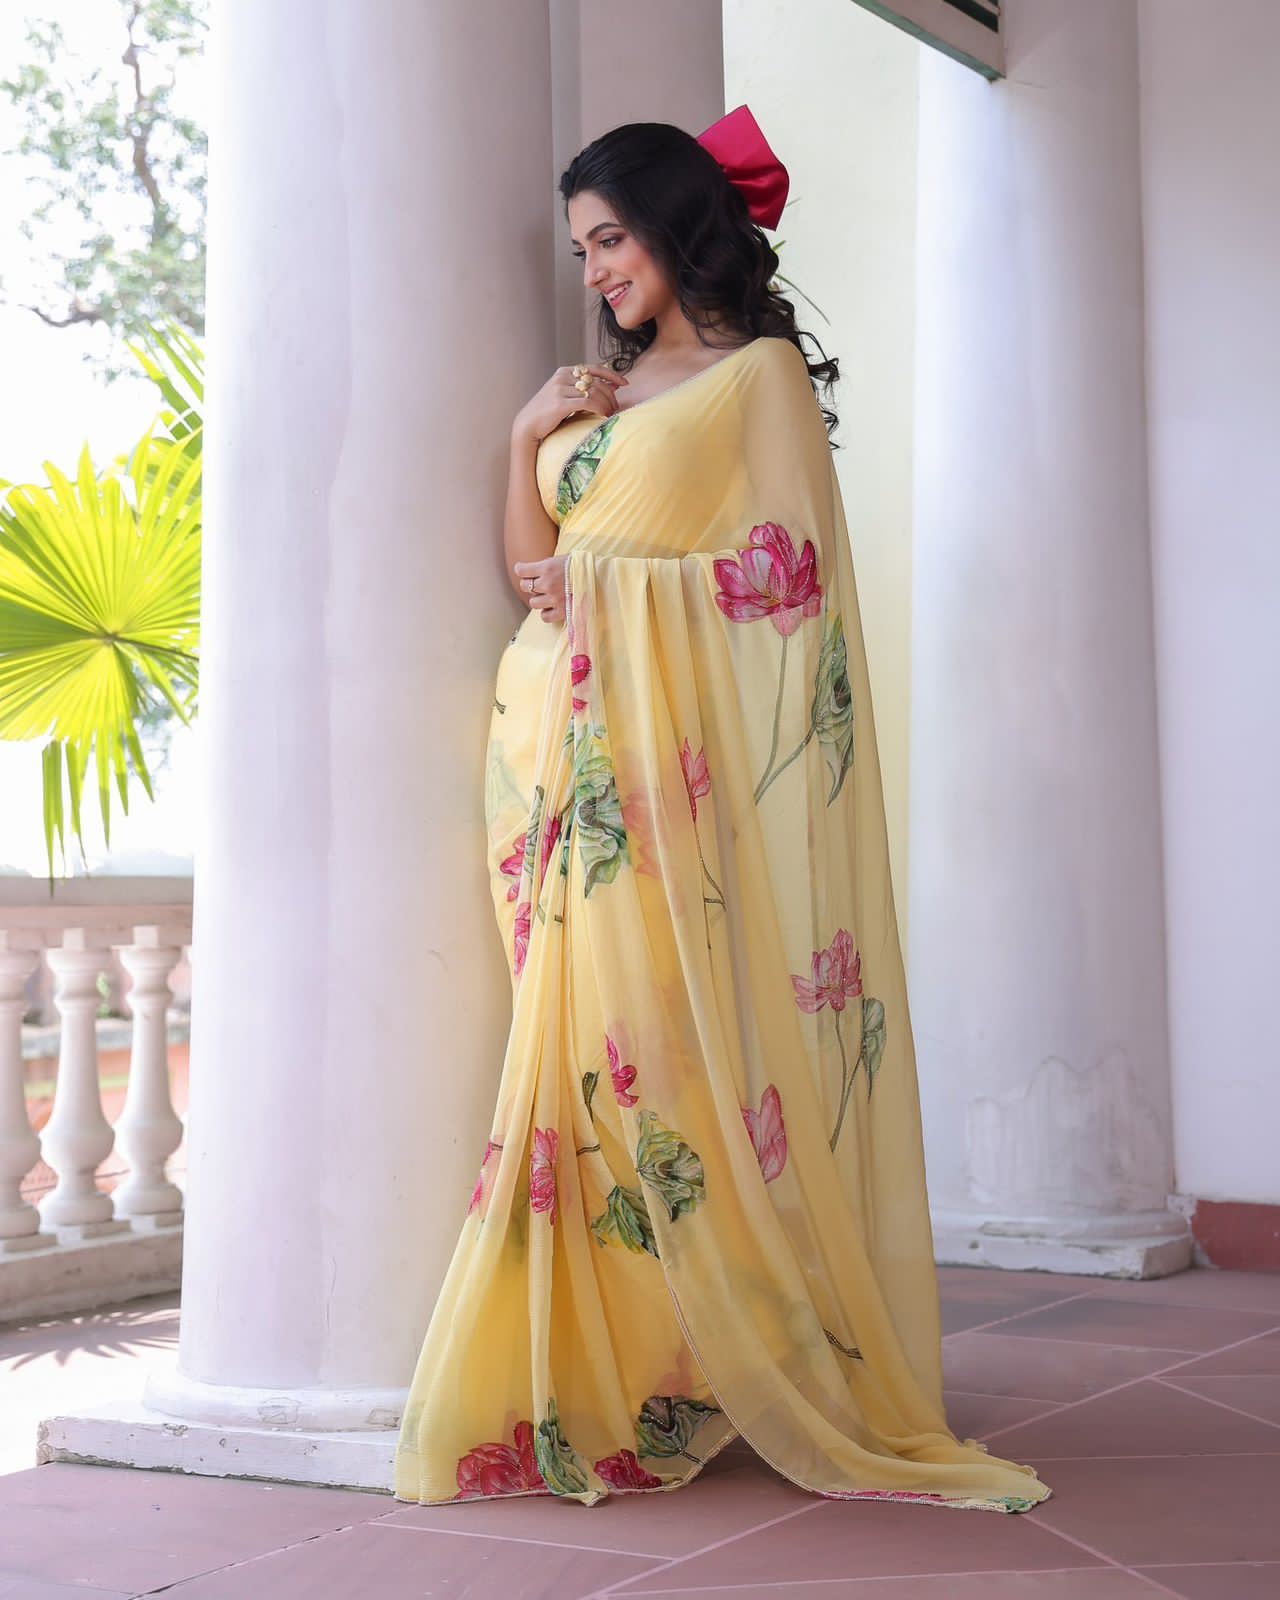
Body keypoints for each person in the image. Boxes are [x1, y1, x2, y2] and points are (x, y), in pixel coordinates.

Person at [393, 107, 1051, 1514]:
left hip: (653, 763)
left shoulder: (757, 379)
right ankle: (609, 1366)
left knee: (655, 1050)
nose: (595, 272)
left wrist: (621, 591)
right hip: (545, 748)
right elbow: (535, 572)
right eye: (582, 251)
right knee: (573, 1052)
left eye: (609, 241)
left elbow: (791, 583)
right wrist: (524, 440)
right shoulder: (597, 392)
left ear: (673, 226)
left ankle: (701, 1352)